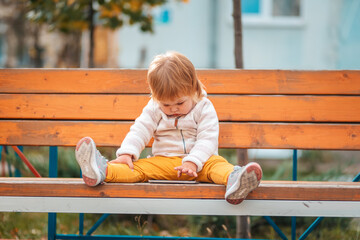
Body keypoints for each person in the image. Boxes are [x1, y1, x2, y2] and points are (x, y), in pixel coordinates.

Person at [75, 51, 262, 205]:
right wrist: (127, 154)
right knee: (136, 170)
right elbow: (140, 129)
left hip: (202, 165)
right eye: (166, 105)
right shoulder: (154, 108)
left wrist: (192, 161)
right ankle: (100, 171)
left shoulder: (204, 107)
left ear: (193, 89)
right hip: (164, 163)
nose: (173, 109)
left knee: (219, 166)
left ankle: (236, 180)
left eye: (180, 103)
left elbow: (208, 139)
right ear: (156, 97)